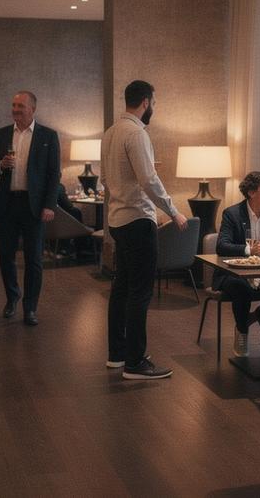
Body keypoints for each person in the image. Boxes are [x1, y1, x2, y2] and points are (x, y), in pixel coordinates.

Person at [101, 79, 187, 380]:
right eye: (155, 103)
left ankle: (117, 354)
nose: (154, 108)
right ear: (146, 102)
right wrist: (173, 210)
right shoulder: (136, 134)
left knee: (121, 287)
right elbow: (149, 179)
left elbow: (105, 179)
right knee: (140, 291)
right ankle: (136, 362)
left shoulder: (110, 133)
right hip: (138, 219)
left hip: (117, 220)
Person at [0, 91, 61, 326]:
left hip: (34, 206)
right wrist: (0, 164)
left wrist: (49, 205)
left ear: (32, 109)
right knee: (5, 254)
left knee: (34, 259)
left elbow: (53, 174)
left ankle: (30, 308)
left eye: (20, 106)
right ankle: (12, 297)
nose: (15, 109)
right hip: (8, 203)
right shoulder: (1, 134)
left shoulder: (48, 135)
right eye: (13, 105)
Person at [213, 170, 260, 356]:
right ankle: (242, 330)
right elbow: (222, 246)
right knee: (241, 288)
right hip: (232, 273)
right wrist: (249, 250)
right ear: (252, 192)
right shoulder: (232, 214)